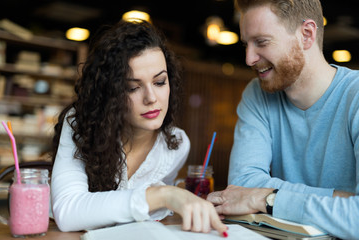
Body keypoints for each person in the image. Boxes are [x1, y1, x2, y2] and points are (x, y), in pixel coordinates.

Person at [50, 19, 227, 237]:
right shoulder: (80, 124)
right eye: (133, 87)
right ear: (110, 93)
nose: (151, 98)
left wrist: (178, 194)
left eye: (160, 82)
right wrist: (163, 195)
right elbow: (68, 212)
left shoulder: (177, 145)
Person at [207, 0, 359, 239]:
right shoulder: (257, 93)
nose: (248, 58)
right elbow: (243, 185)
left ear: (306, 34)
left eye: (262, 42)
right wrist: (343, 198)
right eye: (247, 44)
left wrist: (265, 198)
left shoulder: (356, 95)